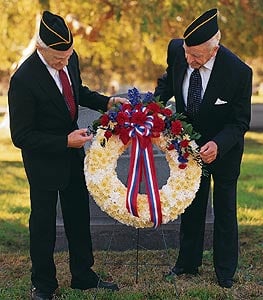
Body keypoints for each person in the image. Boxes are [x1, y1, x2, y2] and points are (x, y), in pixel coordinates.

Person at [8, 11, 127, 300]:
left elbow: (77, 91)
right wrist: (64, 141)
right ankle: (44, 285)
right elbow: (21, 136)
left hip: (73, 158)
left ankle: (83, 276)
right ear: (41, 49)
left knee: (78, 217)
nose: (64, 62)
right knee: (43, 225)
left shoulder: (70, 59)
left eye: (68, 56)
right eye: (58, 59)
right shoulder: (23, 80)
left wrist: (107, 102)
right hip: (44, 162)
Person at [154, 8, 252, 288]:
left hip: (224, 151)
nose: (189, 59)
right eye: (187, 53)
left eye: (196, 56)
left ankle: (224, 271)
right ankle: (187, 264)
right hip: (189, 149)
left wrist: (218, 144)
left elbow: (240, 121)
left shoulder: (238, 72)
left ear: (214, 49)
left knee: (224, 210)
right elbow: (166, 85)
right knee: (192, 206)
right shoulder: (177, 51)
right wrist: (150, 109)